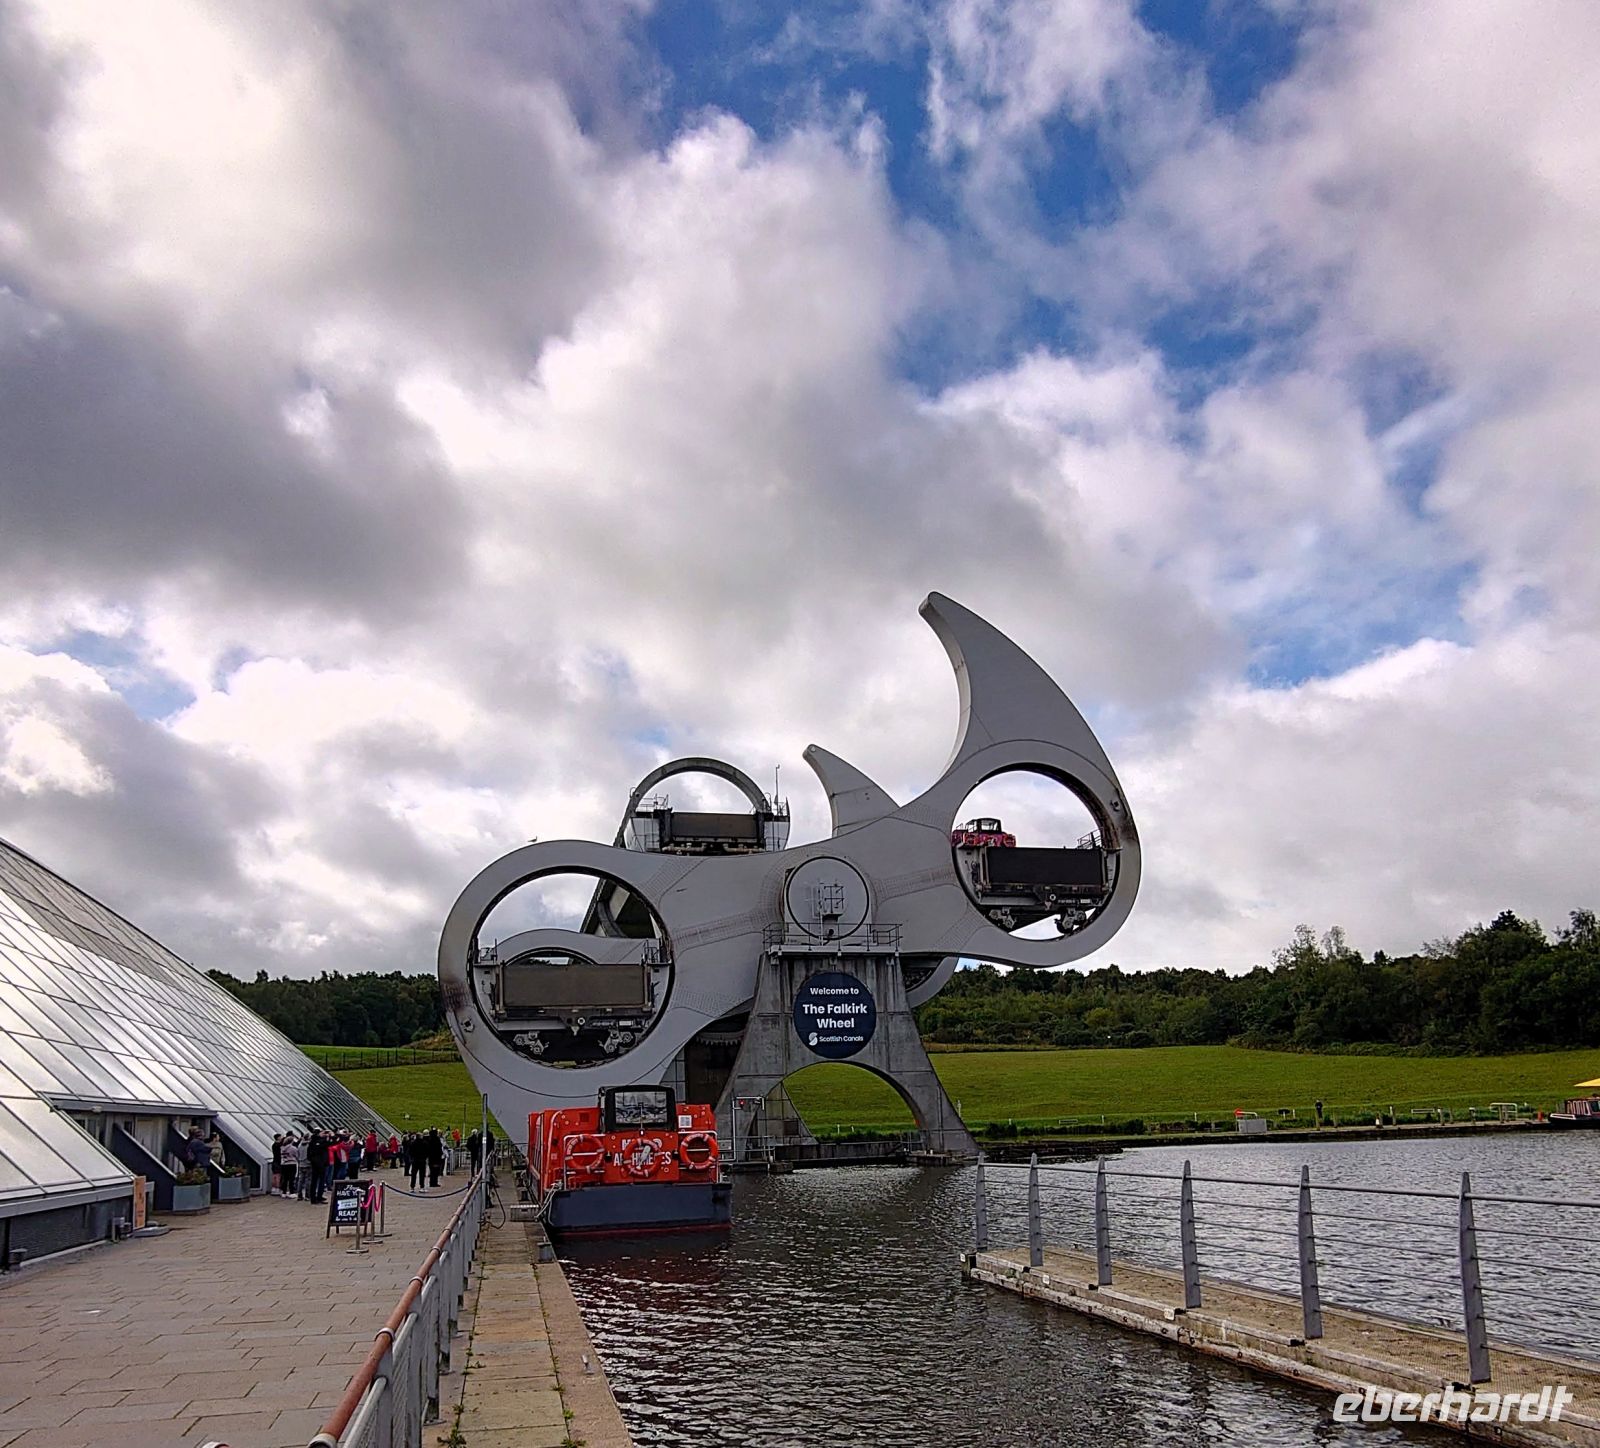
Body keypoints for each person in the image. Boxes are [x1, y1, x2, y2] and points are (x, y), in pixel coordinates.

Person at [280, 1133, 300, 1198]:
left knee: (285, 1179)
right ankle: (292, 1192)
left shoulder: (282, 1148)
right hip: (292, 1163)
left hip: (284, 1164)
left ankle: (284, 1192)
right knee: (291, 1179)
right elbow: (297, 1155)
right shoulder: (293, 1148)